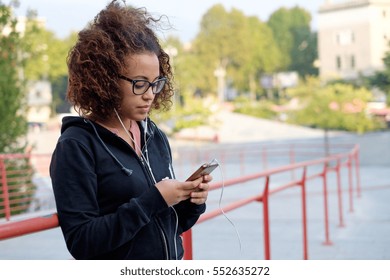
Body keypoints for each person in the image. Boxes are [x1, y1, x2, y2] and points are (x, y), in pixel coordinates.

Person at [49, 0, 211, 260]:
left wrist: (192, 202)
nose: (149, 95)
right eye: (139, 83)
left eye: (155, 83)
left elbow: (169, 226)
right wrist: (154, 199)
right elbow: (82, 241)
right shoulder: (77, 145)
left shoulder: (153, 135)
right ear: (104, 80)